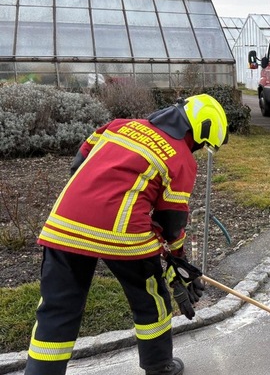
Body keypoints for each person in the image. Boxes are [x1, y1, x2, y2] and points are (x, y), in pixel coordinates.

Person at [24, 94, 229, 375]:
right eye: (202, 143)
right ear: (200, 130)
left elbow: (78, 164)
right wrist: (178, 262)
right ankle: (159, 366)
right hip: (123, 235)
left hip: (63, 226)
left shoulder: (118, 126)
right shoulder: (180, 157)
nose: (197, 149)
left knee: (57, 308)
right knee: (151, 300)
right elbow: (171, 222)